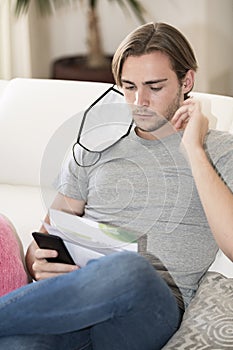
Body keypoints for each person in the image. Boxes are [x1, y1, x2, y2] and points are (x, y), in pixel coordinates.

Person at [0, 22, 233, 350]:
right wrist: (37, 260)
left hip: (149, 309)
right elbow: (46, 237)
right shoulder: (94, 145)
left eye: (154, 87)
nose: (140, 101)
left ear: (187, 81)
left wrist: (194, 149)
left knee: (129, 268)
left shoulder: (220, 151)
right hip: (76, 304)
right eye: (128, 86)